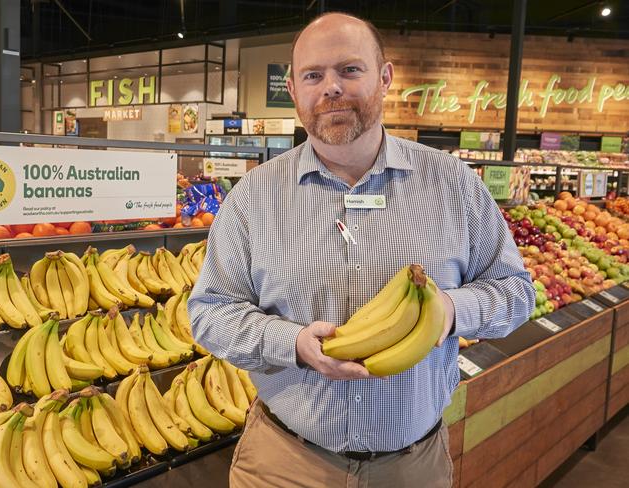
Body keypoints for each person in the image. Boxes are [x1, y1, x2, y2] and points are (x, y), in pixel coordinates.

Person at [188, 12, 534, 488]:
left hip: (412, 466)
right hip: (285, 463)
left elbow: (516, 292)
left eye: (350, 70)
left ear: (385, 77)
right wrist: (293, 344)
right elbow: (210, 314)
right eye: (313, 75)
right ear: (293, 89)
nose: (331, 87)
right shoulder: (253, 197)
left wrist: (450, 309)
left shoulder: (455, 186)